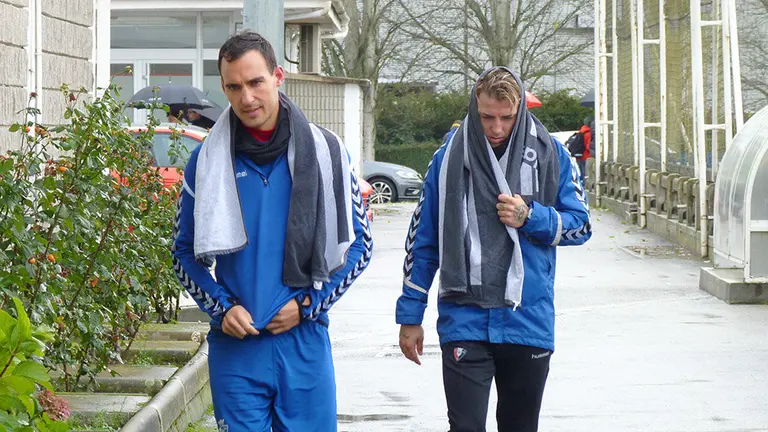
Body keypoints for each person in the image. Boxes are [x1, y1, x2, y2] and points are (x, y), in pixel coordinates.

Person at [172, 31, 373, 432]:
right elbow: (182, 252)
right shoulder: (205, 161)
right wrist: (221, 307)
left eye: (255, 82)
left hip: (304, 344)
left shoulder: (328, 152)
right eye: (233, 86)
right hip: (237, 349)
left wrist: (306, 307)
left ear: (278, 76)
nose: (246, 98)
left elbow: (360, 246)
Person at [396, 67, 591, 432]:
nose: (497, 128)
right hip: (464, 316)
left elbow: (581, 226)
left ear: (520, 111)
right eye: (487, 117)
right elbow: (423, 243)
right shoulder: (445, 159)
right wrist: (410, 316)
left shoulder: (553, 155)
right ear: (474, 108)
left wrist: (530, 216)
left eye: (507, 117)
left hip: (527, 320)